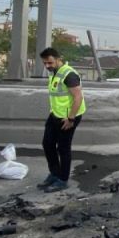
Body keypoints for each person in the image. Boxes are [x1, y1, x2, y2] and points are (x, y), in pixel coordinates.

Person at [37, 47, 86, 193]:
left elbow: (78, 97)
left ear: (58, 59)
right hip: (55, 115)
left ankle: (62, 180)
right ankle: (54, 173)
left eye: (50, 62)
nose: (47, 66)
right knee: (47, 144)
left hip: (69, 117)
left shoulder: (69, 74)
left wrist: (71, 118)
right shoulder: (54, 73)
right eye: (45, 63)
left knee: (63, 148)